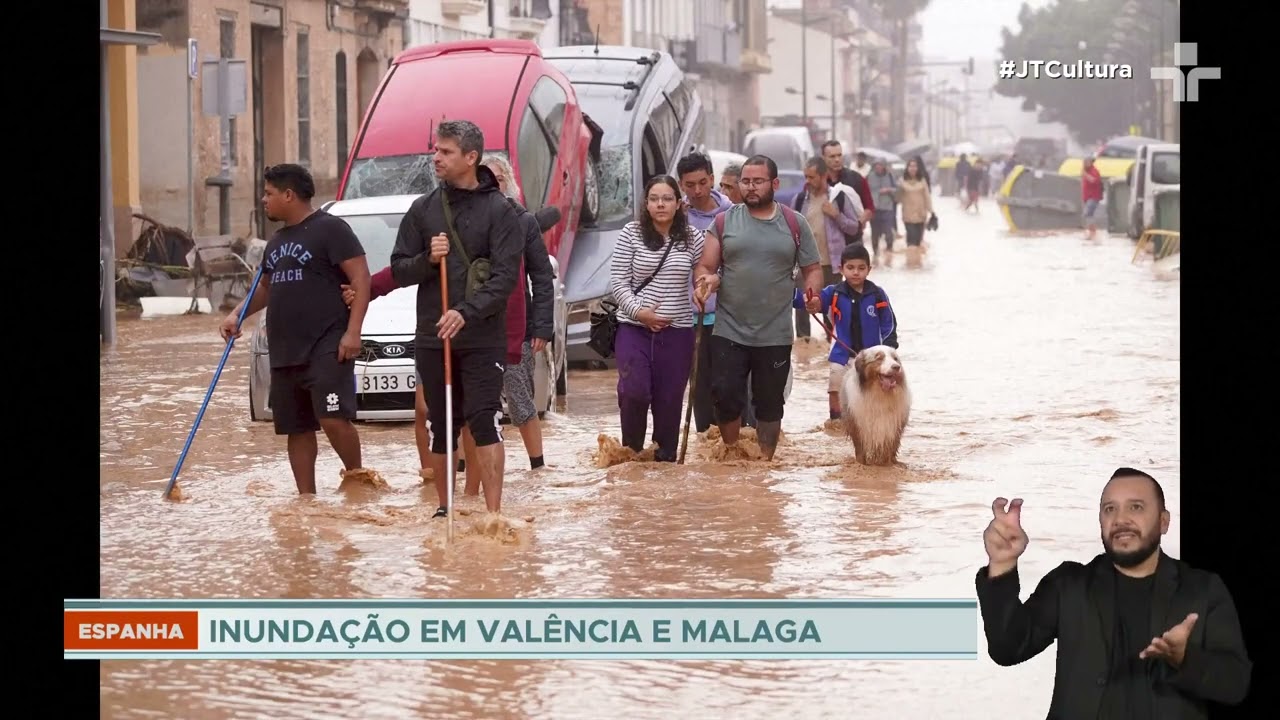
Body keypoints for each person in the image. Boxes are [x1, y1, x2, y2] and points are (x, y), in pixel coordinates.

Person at [977, 468, 1251, 718]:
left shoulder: (1202, 588)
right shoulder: (1068, 584)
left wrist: (1184, 659)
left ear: (1164, 522)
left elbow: (1235, 685)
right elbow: (1007, 649)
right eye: (1110, 509)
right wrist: (1002, 564)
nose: (1121, 519)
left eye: (1136, 507)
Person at [389, 119, 523, 519]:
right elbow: (398, 269)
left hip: (482, 337)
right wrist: (428, 259)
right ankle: (444, 509)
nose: (436, 158)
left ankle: (494, 514)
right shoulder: (423, 209)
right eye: (435, 150)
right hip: (434, 336)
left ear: (471, 157)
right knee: (441, 422)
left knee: (484, 418)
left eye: (445, 152)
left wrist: (465, 312)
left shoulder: (502, 211)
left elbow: (503, 280)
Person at [220, 163, 373, 495]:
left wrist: (354, 331)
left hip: (327, 343)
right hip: (286, 348)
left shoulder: (331, 229)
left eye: (269, 193)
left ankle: (358, 480)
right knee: (296, 428)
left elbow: (361, 277)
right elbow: (264, 287)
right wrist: (236, 315)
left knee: (333, 417)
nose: (264, 200)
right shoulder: (277, 242)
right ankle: (306, 499)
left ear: (289, 195)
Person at [694, 155, 824, 461]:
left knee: (769, 403)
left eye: (758, 181)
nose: (750, 188)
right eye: (746, 181)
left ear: (774, 184)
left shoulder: (794, 223)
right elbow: (706, 265)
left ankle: (765, 463)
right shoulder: (724, 221)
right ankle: (731, 455)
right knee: (725, 396)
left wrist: (812, 294)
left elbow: (813, 268)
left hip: (775, 333)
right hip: (729, 329)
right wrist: (705, 283)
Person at [451, 155, 554, 490]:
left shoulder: (523, 222)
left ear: (508, 181)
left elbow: (541, 276)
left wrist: (541, 326)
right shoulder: (462, 219)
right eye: (485, 178)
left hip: (515, 325)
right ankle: (468, 475)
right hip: (471, 325)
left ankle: (537, 467)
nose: (490, 184)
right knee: (472, 404)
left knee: (520, 397)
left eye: (497, 178)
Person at [608, 174, 705, 461]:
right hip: (633, 329)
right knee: (634, 392)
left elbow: (706, 272)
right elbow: (618, 282)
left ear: (678, 203)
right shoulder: (631, 233)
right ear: (646, 204)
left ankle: (664, 465)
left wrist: (703, 287)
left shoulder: (693, 239)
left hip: (677, 334)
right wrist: (641, 313)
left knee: (670, 403)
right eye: (654, 199)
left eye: (667, 199)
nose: (660, 204)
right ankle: (632, 455)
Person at [675, 152, 751, 434]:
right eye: (690, 184)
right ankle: (707, 446)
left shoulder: (734, 215)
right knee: (699, 388)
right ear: (681, 185)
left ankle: (736, 442)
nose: (697, 191)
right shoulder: (675, 217)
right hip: (689, 317)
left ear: (712, 180)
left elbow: (744, 264)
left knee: (730, 384)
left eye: (702, 182)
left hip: (729, 315)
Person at [796, 243, 898, 421]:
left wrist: (888, 350)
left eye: (861, 268)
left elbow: (889, 324)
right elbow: (814, 301)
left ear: (869, 269)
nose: (856, 272)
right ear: (840, 269)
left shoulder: (878, 295)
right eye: (850, 268)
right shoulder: (833, 293)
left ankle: (872, 422)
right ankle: (836, 422)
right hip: (841, 355)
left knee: (874, 391)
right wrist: (803, 299)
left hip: (872, 358)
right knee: (835, 389)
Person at [792, 155, 862, 336]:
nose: (807, 181)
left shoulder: (838, 197)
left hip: (832, 265)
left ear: (823, 176)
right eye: (805, 176)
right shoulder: (799, 200)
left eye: (811, 177)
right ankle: (805, 352)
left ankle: (831, 350)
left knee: (832, 312)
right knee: (801, 311)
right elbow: (790, 231)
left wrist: (836, 214)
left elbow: (854, 227)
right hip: (805, 265)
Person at [895, 158, 933, 269]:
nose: (912, 168)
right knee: (911, 240)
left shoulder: (922, 181)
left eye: (915, 166)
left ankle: (917, 264)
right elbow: (898, 199)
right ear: (907, 168)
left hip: (921, 215)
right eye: (910, 166)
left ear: (918, 168)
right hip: (908, 215)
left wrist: (932, 212)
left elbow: (927, 197)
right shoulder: (902, 182)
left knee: (917, 241)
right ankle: (910, 264)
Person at [865, 158, 899, 263]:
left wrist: (888, 190)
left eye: (880, 165)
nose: (878, 167)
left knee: (888, 232)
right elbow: (864, 190)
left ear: (884, 166)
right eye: (876, 165)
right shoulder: (869, 176)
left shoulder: (890, 176)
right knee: (875, 233)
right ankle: (875, 255)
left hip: (887, 208)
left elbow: (897, 190)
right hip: (874, 209)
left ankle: (889, 253)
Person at [1081, 155, 1104, 241]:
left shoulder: (1094, 171)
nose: (1084, 164)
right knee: (1088, 214)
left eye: (1086, 162)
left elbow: (1095, 181)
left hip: (1094, 197)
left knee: (1088, 214)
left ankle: (1093, 233)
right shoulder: (1085, 171)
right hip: (1087, 197)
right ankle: (1092, 233)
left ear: (1090, 163)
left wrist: (1086, 175)